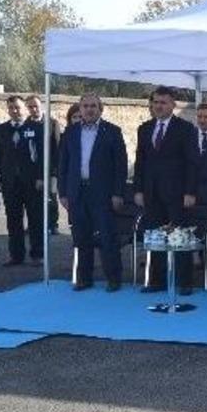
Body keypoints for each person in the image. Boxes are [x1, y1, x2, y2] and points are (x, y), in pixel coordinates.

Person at [57, 94, 127, 291]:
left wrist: (118, 193)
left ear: (101, 108)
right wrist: (62, 192)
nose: (89, 109)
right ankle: (84, 278)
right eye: (85, 106)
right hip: (76, 193)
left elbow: (120, 167)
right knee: (81, 238)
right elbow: (63, 164)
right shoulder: (70, 132)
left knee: (107, 237)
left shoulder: (112, 132)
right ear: (80, 109)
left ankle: (113, 278)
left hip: (103, 193)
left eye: (93, 106)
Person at [133, 86, 199, 294]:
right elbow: (140, 162)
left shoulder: (186, 129)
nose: (159, 106)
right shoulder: (144, 129)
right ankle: (157, 281)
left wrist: (190, 191)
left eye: (164, 102)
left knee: (179, 237)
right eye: (156, 102)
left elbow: (192, 163)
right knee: (156, 238)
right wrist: (138, 190)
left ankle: (184, 282)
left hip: (177, 193)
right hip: (152, 193)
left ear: (173, 105)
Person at [0, 95, 45, 266]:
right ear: (8, 110)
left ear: (24, 108)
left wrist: (40, 177)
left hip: (32, 183)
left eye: (18, 107)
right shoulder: (1, 130)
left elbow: (41, 157)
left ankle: (37, 255)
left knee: (35, 219)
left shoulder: (35, 128)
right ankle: (16, 255)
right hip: (9, 183)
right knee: (13, 220)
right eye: (11, 108)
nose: (15, 111)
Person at [24, 96, 61, 234]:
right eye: (30, 107)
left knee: (50, 197)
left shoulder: (52, 123)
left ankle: (53, 224)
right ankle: (33, 224)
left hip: (50, 169)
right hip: (31, 170)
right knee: (32, 199)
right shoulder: (25, 125)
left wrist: (55, 171)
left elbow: (57, 149)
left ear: (42, 106)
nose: (34, 109)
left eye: (36, 106)